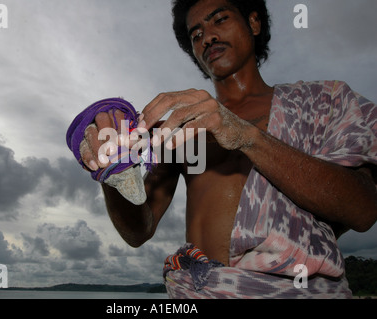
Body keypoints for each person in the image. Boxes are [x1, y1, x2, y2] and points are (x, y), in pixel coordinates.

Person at [68, 0, 377, 298]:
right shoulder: (179, 131)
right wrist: (114, 168)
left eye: (220, 19)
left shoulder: (320, 103)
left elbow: (364, 210)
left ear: (254, 23)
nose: (208, 37)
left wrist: (245, 135)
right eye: (196, 35)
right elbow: (138, 231)